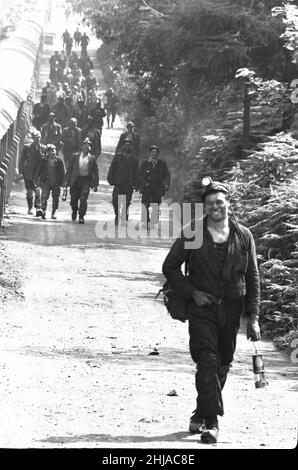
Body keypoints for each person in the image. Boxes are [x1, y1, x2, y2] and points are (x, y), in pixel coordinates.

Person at [162, 179, 261, 444]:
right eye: (210, 203)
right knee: (206, 359)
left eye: (220, 201)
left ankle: (201, 411)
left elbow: (252, 277)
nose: (215, 207)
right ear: (204, 207)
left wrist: (254, 317)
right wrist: (192, 293)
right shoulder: (193, 233)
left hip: (232, 310)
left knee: (222, 364)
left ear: (228, 203)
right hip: (201, 308)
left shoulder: (243, 235)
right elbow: (170, 268)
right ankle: (212, 423)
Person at [64, 138, 99, 224]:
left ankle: (81, 216)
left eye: (88, 146)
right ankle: (74, 210)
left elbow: (95, 172)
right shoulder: (75, 156)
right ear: (82, 147)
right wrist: (66, 180)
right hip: (75, 180)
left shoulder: (92, 159)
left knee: (83, 198)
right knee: (74, 199)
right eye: (85, 146)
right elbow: (70, 169)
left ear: (90, 148)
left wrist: (96, 184)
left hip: (85, 181)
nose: (86, 147)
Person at [107, 139, 139, 225]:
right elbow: (112, 168)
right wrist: (110, 179)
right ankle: (117, 215)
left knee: (127, 202)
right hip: (118, 183)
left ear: (131, 148)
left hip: (129, 184)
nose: (127, 147)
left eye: (129, 145)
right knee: (115, 201)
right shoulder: (117, 157)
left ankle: (124, 214)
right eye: (126, 145)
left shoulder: (134, 160)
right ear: (123, 147)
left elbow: (136, 172)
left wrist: (136, 184)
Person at [139, 145, 170, 226]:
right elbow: (139, 175)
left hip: (157, 187)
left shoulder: (162, 163)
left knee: (156, 205)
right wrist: (143, 182)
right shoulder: (145, 163)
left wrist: (166, 184)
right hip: (147, 188)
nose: (154, 154)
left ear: (158, 154)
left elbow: (167, 175)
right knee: (145, 204)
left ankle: (153, 220)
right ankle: (146, 220)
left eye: (155, 153)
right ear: (150, 153)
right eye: (152, 152)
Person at [18, 130, 46, 216]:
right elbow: (22, 160)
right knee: (29, 191)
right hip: (29, 173)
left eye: (38, 138)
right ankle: (30, 208)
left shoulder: (44, 148)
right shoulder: (27, 148)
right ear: (33, 138)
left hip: (39, 173)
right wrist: (21, 172)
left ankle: (38, 207)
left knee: (38, 191)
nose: (37, 140)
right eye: (35, 138)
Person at [36, 144, 65, 220]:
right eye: (51, 151)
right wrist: (37, 179)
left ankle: (54, 211)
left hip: (56, 181)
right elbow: (39, 170)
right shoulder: (44, 160)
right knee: (44, 196)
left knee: (55, 197)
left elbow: (62, 172)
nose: (53, 152)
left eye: (54, 150)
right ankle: (43, 210)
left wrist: (63, 182)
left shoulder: (59, 161)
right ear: (48, 152)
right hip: (46, 181)